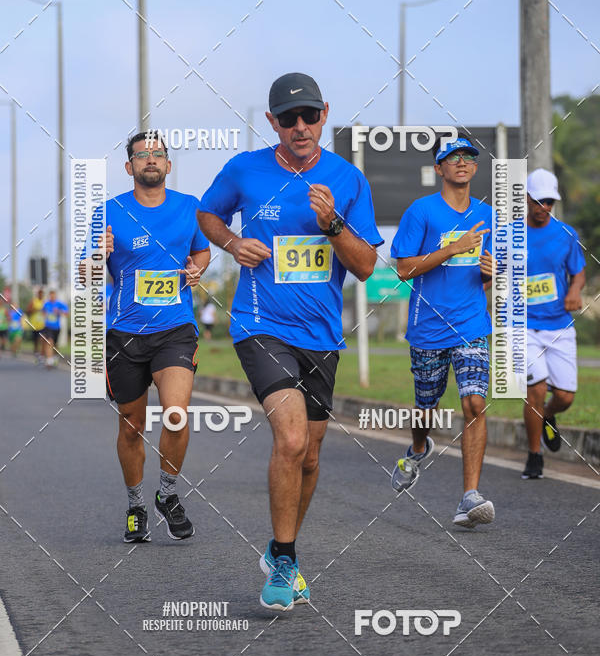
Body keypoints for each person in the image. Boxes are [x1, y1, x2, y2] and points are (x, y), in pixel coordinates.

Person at [198, 72, 382, 610]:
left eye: (309, 116)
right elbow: (207, 213)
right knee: (292, 440)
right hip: (261, 326)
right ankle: (283, 559)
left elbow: (366, 266)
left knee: (311, 455)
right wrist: (232, 243)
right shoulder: (245, 169)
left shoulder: (348, 179)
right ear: (272, 122)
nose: (300, 127)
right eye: (287, 118)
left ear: (324, 113)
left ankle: (283, 549)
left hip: (321, 334)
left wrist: (333, 225)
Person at [88, 132, 210, 544]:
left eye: (158, 154)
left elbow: (202, 251)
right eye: (142, 155)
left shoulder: (190, 207)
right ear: (130, 167)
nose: (151, 159)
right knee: (131, 427)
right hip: (125, 333)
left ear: (168, 164)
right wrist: (98, 256)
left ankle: (168, 494)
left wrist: (197, 268)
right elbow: (87, 274)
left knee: (176, 414)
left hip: (175, 328)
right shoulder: (108, 212)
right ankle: (136, 505)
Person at [390, 137, 496, 528]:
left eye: (469, 157)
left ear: (475, 167)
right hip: (428, 328)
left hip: (471, 324)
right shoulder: (422, 211)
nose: (462, 162)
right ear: (439, 168)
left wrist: (489, 272)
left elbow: (488, 273)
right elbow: (404, 269)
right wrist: (452, 248)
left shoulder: (487, 215)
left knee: (474, 404)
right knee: (426, 408)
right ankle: (418, 449)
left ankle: (470, 497)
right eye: (453, 158)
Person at [521, 169, 586, 479]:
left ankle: (547, 416)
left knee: (565, 397)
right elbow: (492, 272)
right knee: (536, 388)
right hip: (522, 326)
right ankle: (534, 456)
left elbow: (579, 272)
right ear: (527, 199)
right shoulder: (510, 234)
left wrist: (575, 291)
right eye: (538, 201)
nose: (544, 207)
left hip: (559, 325)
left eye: (549, 202)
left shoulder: (566, 234)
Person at [41, 290, 68, 368]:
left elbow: (66, 314)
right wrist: (44, 315)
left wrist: (59, 311)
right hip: (48, 327)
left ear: (55, 296)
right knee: (49, 342)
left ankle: (55, 357)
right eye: (51, 295)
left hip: (56, 327)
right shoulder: (46, 304)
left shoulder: (59, 304)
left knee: (55, 344)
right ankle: (49, 360)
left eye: (53, 296)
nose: (52, 297)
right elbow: (43, 312)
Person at [28, 288, 46, 362]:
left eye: (42, 294)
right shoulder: (33, 301)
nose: (41, 295)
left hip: (43, 324)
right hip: (34, 325)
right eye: (39, 294)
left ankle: (42, 355)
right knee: (36, 341)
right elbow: (28, 310)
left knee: (42, 339)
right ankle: (36, 353)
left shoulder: (45, 302)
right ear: (37, 294)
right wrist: (35, 309)